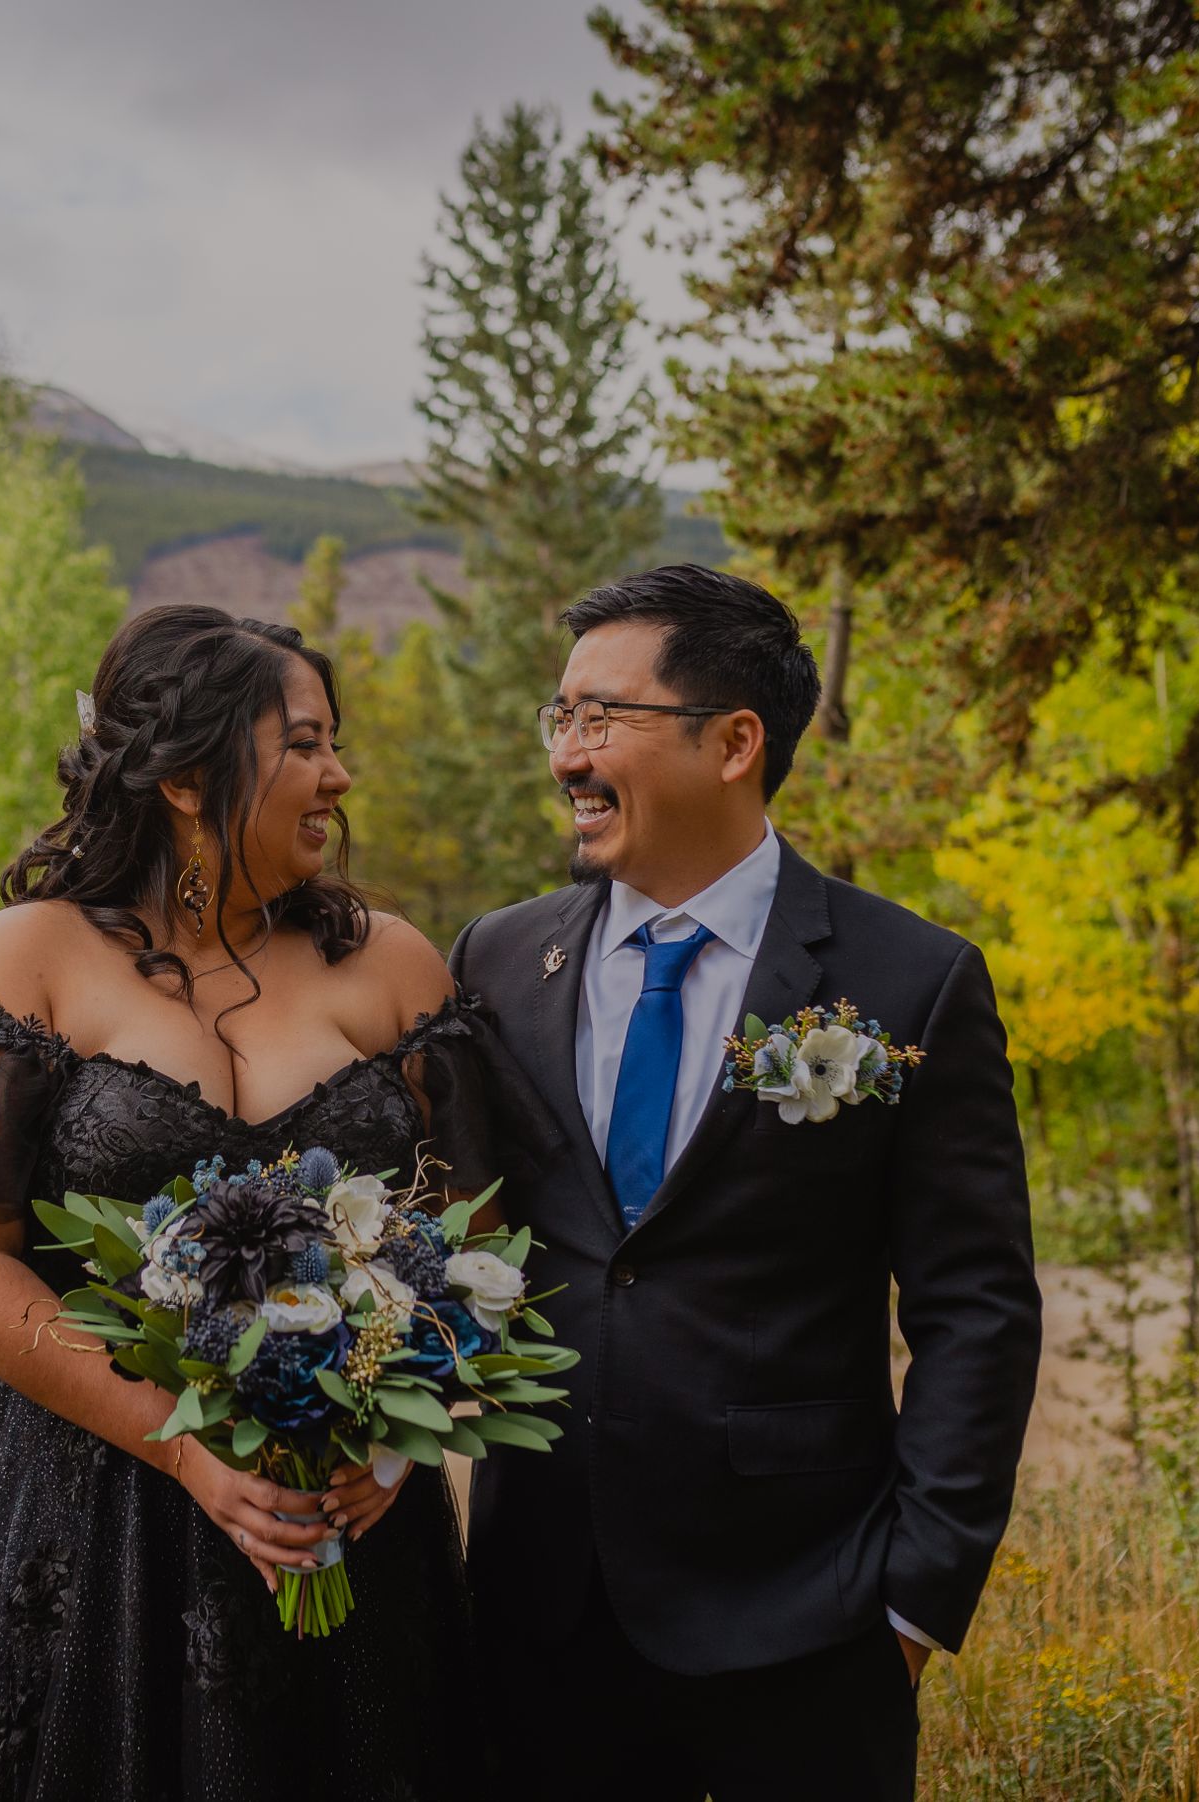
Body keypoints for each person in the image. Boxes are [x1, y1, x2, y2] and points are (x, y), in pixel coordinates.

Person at [0, 605, 504, 1801]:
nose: (337, 773)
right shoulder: (22, 958)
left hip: (345, 1522)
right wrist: (185, 1449)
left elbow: (476, 1242)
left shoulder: (394, 965)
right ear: (188, 777)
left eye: (333, 740)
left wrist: (398, 1438)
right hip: (89, 1522)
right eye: (301, 743)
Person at [455, 565, 1042, 1802]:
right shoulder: (499, 959)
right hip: (540, 1611)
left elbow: (976, 1308)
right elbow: (453, 1232)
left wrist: (916, 1597)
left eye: (604, 715)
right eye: (559, 716)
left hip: (810, 1613)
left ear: (735, 742)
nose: (570, 749)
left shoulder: (909, 980)